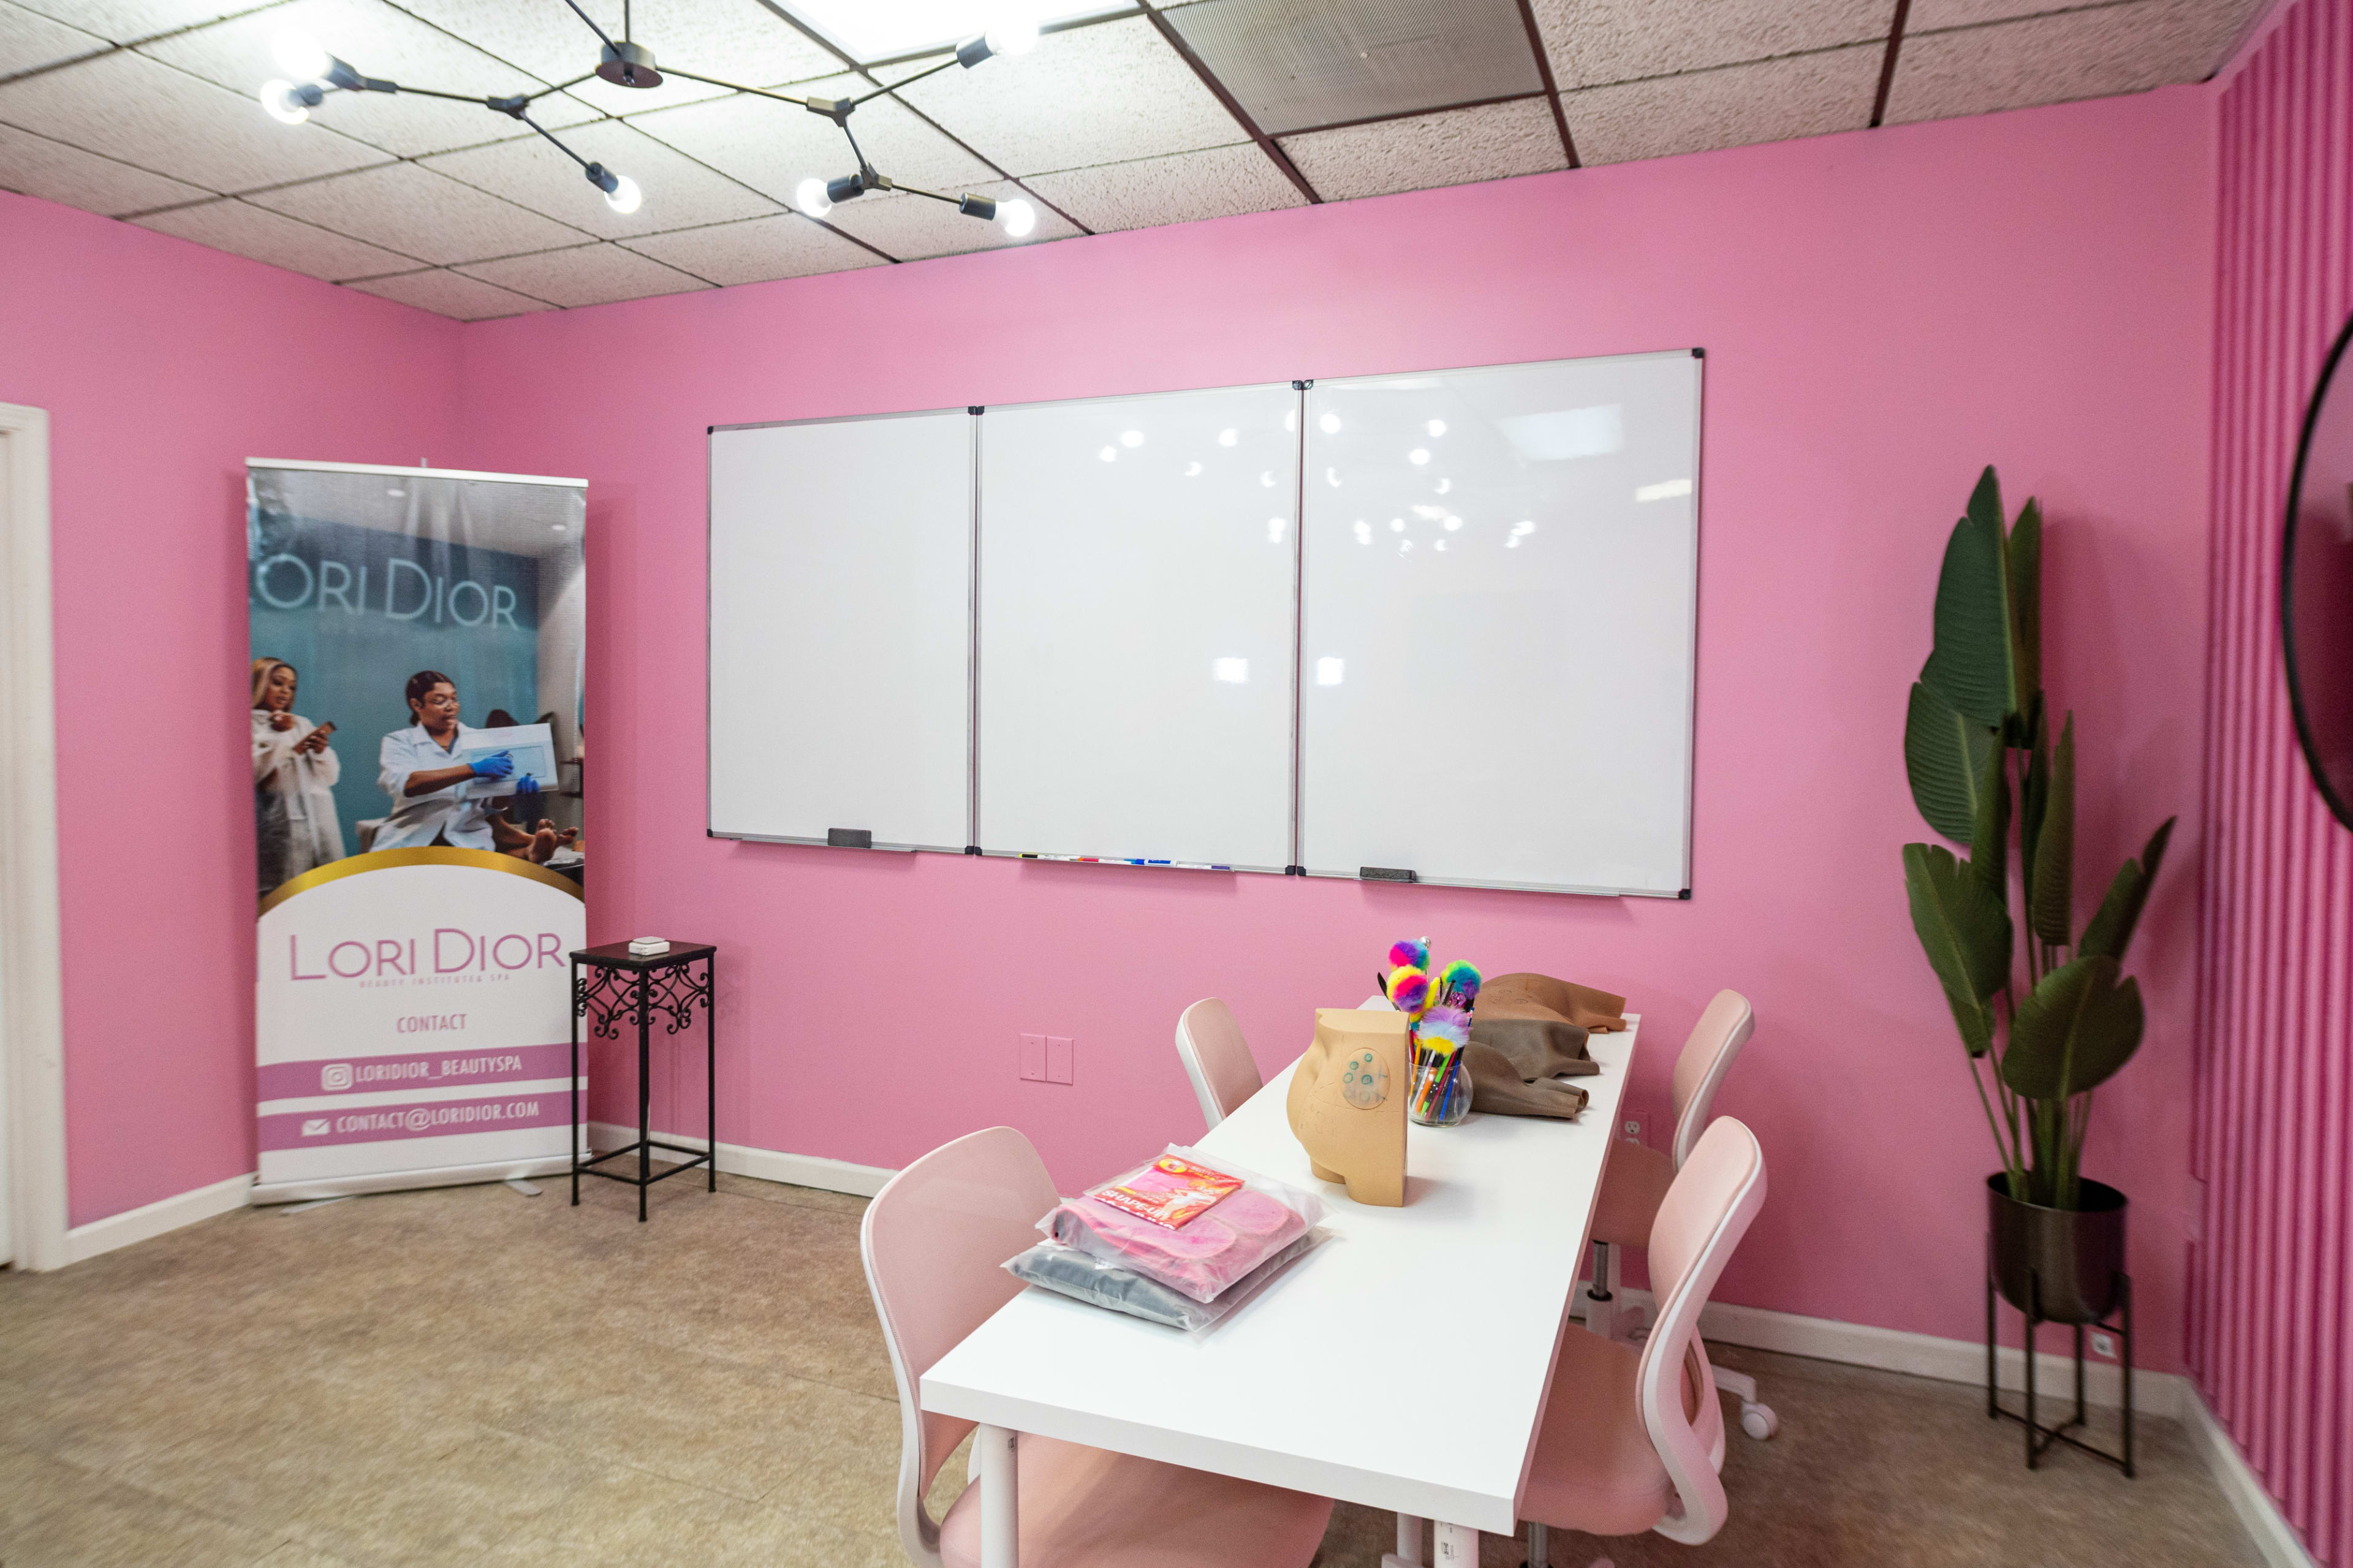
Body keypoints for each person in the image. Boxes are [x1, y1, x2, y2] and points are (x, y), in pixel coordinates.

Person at [374, 670, 523, 851]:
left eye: (453, 699)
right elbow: (409, 784)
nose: (451, 706)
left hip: (468, 843)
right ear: (416, 704)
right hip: (409, 841)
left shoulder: (480, 739)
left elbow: (492, 807)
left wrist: (510, 791)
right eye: (439, 700)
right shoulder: (399, 741)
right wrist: (473, 769)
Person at [252, 657, 343, 893]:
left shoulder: (301, 724)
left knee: (325, 890)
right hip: (276, 821)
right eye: (278, 683)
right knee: (282, 893)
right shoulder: (247, 724)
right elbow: (253, 772)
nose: (285, 691)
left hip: (319, 820)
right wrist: (277, 736)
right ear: (260, 683)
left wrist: (322, 752)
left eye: (291, 687)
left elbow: (330, 777)